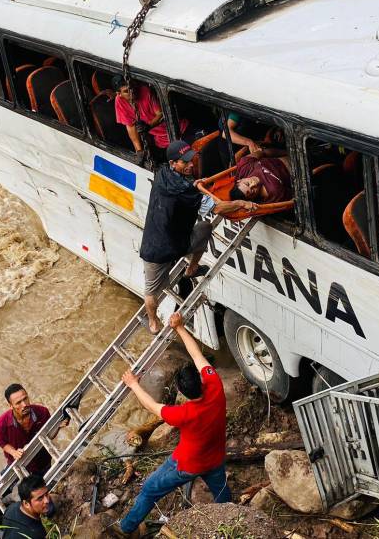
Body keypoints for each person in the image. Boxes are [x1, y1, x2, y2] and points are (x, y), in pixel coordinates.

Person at [118, 312, 230, 538]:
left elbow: (151, 406)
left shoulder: (183, 413)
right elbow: (197, 356)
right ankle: (231, 516)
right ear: (200, 380)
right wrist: (179, 328)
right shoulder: (215, 386)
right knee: (221, 492)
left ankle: (126, 528)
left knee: (150, 490)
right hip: (215, 457)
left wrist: (133, 384)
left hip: (190, 464)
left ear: (181, 392)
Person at [140, 140, 257, 334]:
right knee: (152, 290)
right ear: (173, 164)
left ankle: (191, 268)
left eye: (190, 160)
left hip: (178, 239)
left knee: (205, 227)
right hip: (157, 248)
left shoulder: (162, 173)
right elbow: (217, 208)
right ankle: (153, 322)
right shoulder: (185, 190)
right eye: (185, 162)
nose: (191, 164)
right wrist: (241, 203)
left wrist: (193, 184)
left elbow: (182, 188)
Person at [0, 384, 67, 509]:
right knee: (2, 490)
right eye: (18, 403)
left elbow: (49, 436)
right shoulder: (1, 424)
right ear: (11, 405)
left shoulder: (42, 412)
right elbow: (3, 443)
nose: (24, 404)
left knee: (41, 497)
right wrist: (13, 452)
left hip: (42, 461)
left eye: (25, 399)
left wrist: (58, 427)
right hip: (17, 463)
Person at [112, 76, 188, 155]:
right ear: (119, 94)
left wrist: (148, 126)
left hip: (180, 130)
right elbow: (130, 126)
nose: (131, 92)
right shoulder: (119, 101)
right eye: (126, 91)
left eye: (131, 88)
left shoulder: (145, 91)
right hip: (161, 140)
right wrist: (139, 151)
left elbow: (161, 114)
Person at [1, 475, 52, 539]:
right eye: (40, 498)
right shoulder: (36, 533)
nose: (46, 500)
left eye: (46, 494)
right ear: (26, 503)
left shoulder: (12, 508)